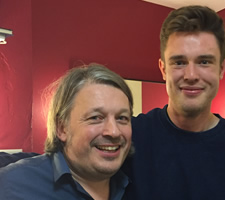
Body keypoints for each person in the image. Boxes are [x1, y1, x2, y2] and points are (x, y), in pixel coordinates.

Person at [122, 5, 225, 200]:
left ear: (222, 68)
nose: (191, 75)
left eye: (204, 62)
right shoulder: (129, 137)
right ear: (163, 69)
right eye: (179, 62)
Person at [0, 64, 134, 200]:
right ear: (61, 128)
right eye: (96, 118)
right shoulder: (11, 186)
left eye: (122, 118)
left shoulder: (134, 185)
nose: (113, 131)